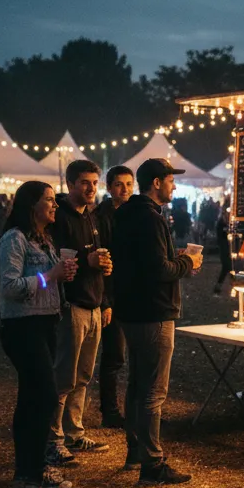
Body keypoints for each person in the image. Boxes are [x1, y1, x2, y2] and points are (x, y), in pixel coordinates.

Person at [112, 158, 202, 484]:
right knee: (153, 391)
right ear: (156, 183)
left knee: (137, 384)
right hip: (154, 312)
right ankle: (152, 462)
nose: (174, 186)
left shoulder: (124, 213)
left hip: (131, 312)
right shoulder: (149, 219)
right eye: (170, 180)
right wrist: (186, 262)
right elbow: (159, 270)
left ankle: (135, 448)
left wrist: (176, 260)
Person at [0, 181, 78, 488]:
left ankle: (27, 472)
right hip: (23, 327)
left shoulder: (43, 240)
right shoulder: (14, 240)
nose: (55, 204)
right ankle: (33, 470)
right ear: (32, 206)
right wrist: (49, 277)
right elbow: (8, 287)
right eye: (48, 200)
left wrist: (61, 277)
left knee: (33, 397)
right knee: (42, 396)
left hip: (45, 324)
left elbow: (45, 282)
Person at [47, 159, 113, 464]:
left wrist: (106, 300)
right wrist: (88, 262)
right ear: (70, 183)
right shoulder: (58, 218)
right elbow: (61, 260)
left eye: (95, 183)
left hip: (94, 304)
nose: (91, 188)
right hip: (71, 304)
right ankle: (52, 439)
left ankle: (74, 432)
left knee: (84, 375)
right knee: (64, 376)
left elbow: (99, 260)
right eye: (85, 182)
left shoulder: (92, 216)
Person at [95, 164, 134, 427]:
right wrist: (105, 301)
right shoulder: (101, 216)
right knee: (114, 356)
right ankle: (109, 412)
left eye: (130, 184)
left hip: (132, 293)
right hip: (111, 294)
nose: (125, 189)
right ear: (109, 188)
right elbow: (102, 262)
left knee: (133, 356)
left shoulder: (134, 213)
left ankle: (133, 411)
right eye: (120, 184)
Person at [213, 197, 232, 294]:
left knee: (228, 266)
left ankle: (220, 286)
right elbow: (221, 233)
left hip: (227, 245)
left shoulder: (224, 219)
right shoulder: (222, 221)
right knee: (227, 266)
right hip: (224, 245)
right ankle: (219, 286)